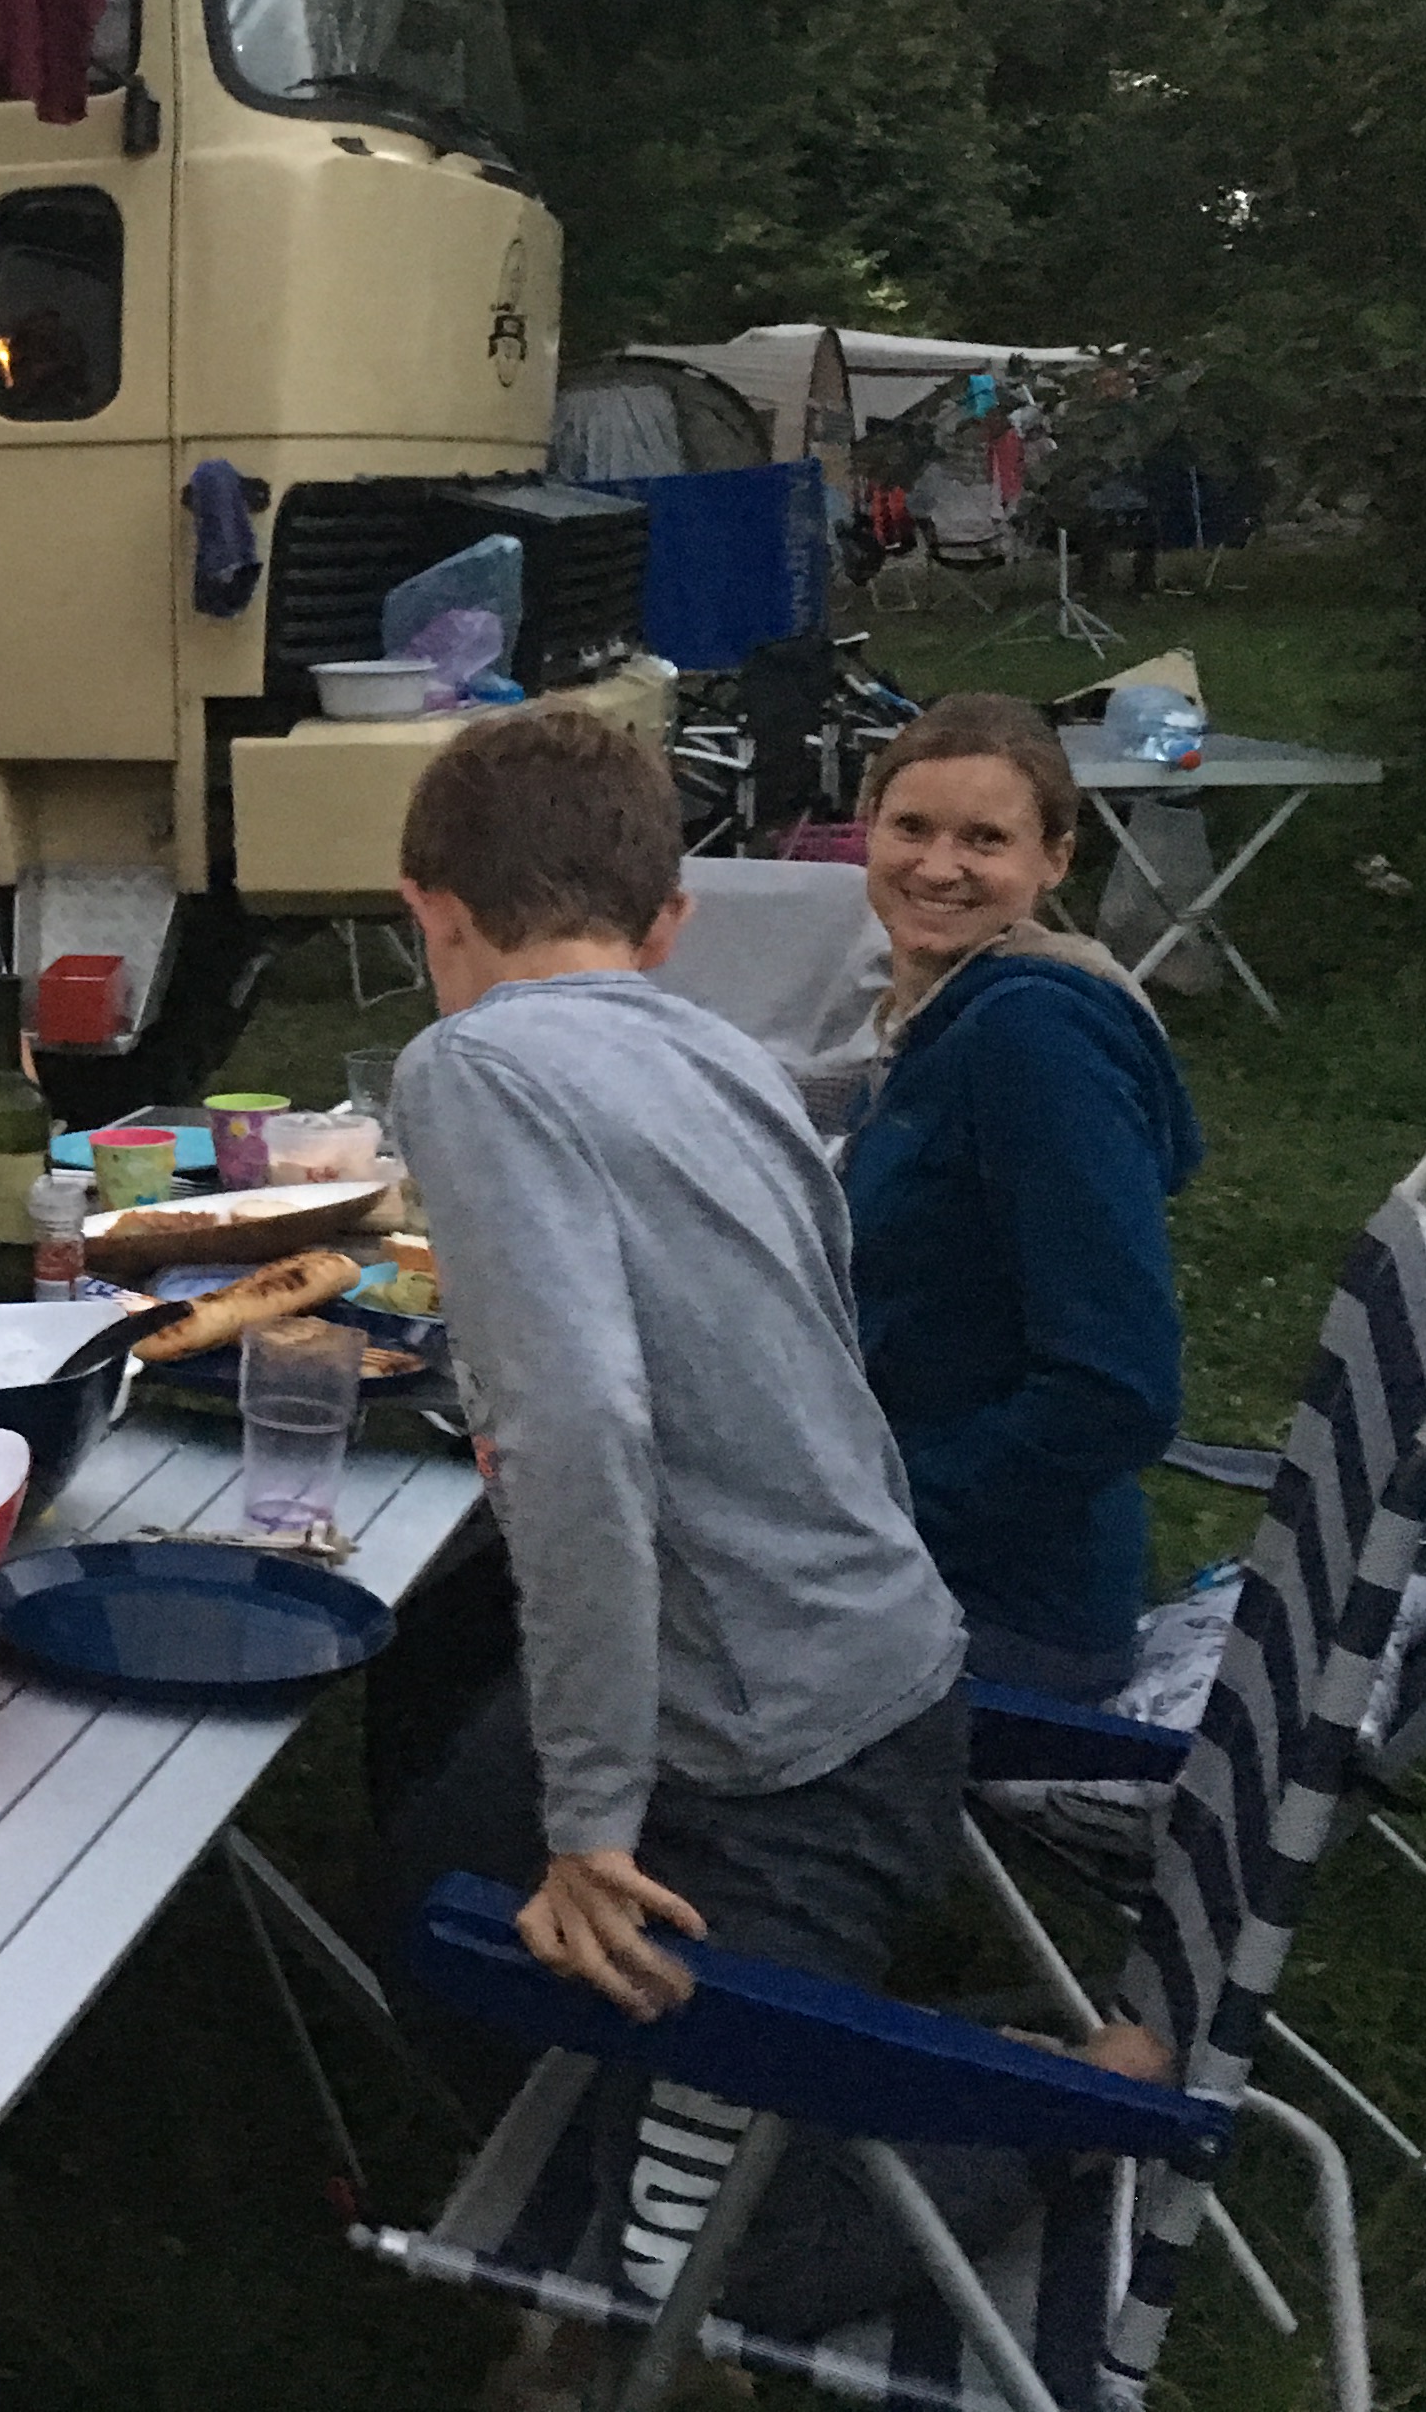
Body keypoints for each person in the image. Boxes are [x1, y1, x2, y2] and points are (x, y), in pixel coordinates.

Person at [374, 708, 1143, 2366]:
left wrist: (593, 1813)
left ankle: (1063, 2102)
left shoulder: (469, 1064)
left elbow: (582, 1431)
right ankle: (687, 2096)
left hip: (799, 1757)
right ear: (666, 921)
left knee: (702, 2281)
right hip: (857, 1669)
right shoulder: (714, 1046)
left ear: (424, 906)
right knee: (437, 1877)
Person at [848, 691, 1204, 1702]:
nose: (938, 866)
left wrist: (867, 1513)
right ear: (866, 830)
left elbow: (1117, 1393)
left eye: (985, 839)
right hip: (923, 1545)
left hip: (994, 1607)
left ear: (1055, 860)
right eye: (911, 827)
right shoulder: (942, 1012)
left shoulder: (1033, 1042)